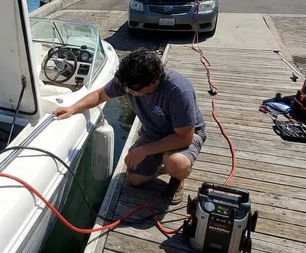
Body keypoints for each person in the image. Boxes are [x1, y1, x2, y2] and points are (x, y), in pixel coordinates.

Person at [53, 49, 205, 202]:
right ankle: (161, 158)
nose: (127, 91)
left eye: (133, 90)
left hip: (182, 135)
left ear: (154, 81)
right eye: (126, 88)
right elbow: (99, 95)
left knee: (177, 164)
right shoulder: (129, 80)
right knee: (135, 180)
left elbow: (184, 137)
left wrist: (145, 150)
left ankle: (177, 178)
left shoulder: (179, 91)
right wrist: (73, 108)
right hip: (153, 132)